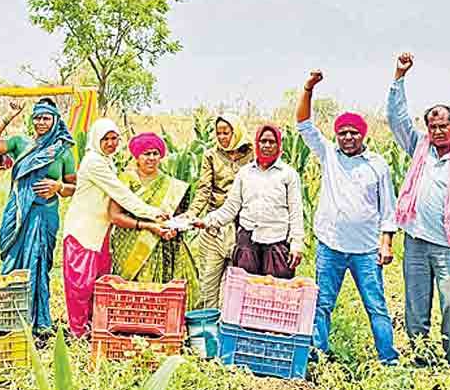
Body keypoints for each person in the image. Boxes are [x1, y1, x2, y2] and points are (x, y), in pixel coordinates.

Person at [296, 70, 399, 365]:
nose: (348, 137)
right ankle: (318, 357)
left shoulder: (377, 165)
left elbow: (388, 210)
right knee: (322, 305)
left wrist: (387, 243)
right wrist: (308, 88)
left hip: (366, 250)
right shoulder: (328, 154)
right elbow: (303, 124)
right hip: (330, 246)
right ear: (336, 135)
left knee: (376, 306)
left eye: (353, 132)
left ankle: (388, 360)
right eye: (343, 133)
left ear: (362, 134)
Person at [387, 52, 450, 367]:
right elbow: (396, 120)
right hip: (415, 240)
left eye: (443, 125)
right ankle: (420, 357)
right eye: (433, 125)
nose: (438, 131)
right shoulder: (419, 148)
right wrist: (399, 76)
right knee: (415, 304)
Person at [59, 119, 166, 336]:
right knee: (80, 285)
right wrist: (152, 213)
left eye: (114, 138)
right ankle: (77, 331)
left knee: (96, 282)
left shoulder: (107, 161)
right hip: (83, 230)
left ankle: (91, 325)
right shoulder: (94, 162)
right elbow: (120, 193)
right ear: (96, 140)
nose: (110, 143)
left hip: (100, 231)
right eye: (105, 139)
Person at [0, 98, 76, 336]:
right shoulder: (20, 143)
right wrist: (8, 116)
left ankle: (39, 322)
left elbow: (75, 187)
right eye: (37, 118)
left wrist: (58, 186)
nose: (41, 122)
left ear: (55, 120)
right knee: (12, 260)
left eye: (46, 118)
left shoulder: (63, 150)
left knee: (39, 264)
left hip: (44, 213)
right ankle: (7, 316)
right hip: (18, 211)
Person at [194, 124, 303, 278]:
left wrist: (297, 243)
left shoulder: (288, 174)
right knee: (245, 292)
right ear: (257, 143)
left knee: (274, 292)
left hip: (276, 241)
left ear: (278, 145)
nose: (267, 145)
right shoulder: (245, 173)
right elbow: (231, 207)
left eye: (272, 142)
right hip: (247, 243)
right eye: (263, 141)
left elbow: (295, 212)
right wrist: (206, 221)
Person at [108, 133, 200, 306]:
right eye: (146, 154)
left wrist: (174, 228)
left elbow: (176, 217)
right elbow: (114, 216)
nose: (151, 158)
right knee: (133, 288)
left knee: (160, 289)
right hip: (130, 244)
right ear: (137, 156)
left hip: (163, 244)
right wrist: (147, 226)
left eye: (155, 153)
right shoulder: (125, 180)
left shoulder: (171, 184)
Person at [189, 113, 254, 307]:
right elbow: (204, 189)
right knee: (208, 282)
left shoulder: (253, 156)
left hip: (243, 228)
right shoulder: (211, 155)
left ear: (237, 132)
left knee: (239, 285)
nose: (222, 137)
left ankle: (231, 330)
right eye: (219, 133)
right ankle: (205, 329)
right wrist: (192, 213)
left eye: (226, 132)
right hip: (215, 225)